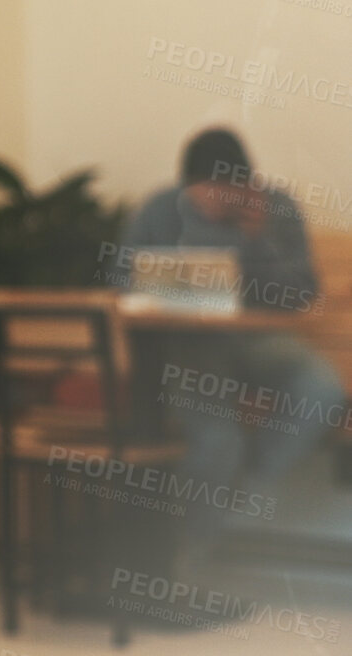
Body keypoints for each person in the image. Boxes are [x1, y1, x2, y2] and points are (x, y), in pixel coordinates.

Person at [119, 128, 345, 570]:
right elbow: (119, 278)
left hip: (258, 340)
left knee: (320, 388)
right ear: (187, 185)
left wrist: (257, 237)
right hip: (188, 345)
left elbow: (302, 291)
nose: (214, 201)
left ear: (246, 185)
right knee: (216, 441)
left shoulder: (275, 209)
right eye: (205, 191)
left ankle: (244, 488)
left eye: (227, 190)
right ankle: (187, 553)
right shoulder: (160, 210)